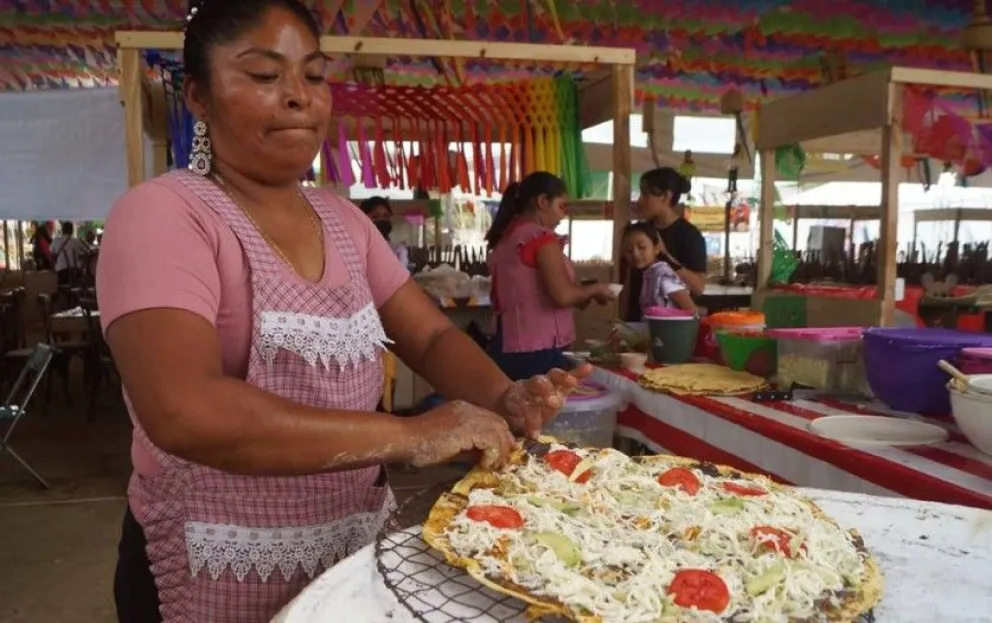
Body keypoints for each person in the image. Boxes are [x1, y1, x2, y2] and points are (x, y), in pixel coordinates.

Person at [97, 2, 588, 621]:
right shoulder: (165, 215)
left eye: (314, 74)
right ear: (197, 96)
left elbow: (432, 337)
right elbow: (183, 410)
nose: (299, 97)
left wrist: (503, 397)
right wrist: (413, 435)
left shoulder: (345, 221)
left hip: (349, 556)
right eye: (264, 75)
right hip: (210, 563)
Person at [485, 171, 615, 380]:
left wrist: (585, 293)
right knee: (544, 408)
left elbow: (534, 291)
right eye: (562, 206)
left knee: (513, 408)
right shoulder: (541, 237)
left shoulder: (506, 237)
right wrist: (596, 289)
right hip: (539, 349)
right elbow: (562, 296)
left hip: (507, 343)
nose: (563, 215)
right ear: (543, 202)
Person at [623, 167, 708, 321]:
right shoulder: (641, 231)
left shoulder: (690, 235)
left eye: (646, 194)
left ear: (666, 196)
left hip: (671, 326)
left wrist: (665, 256)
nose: (640, 201)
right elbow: (629, 281)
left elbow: (698, 288)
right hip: (638, 321)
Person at [622, 222, 696, 315]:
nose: (635, 254)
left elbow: (692, 311)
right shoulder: (649, 274)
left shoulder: (663, 275)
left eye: (642, 247)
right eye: (629, 250)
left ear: (656, 248)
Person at [360, 195, 409, 268]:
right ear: (363, 219)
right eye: (375, 217)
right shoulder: (358, 250)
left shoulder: (399, 250)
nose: (381, 220)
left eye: (386, 216)